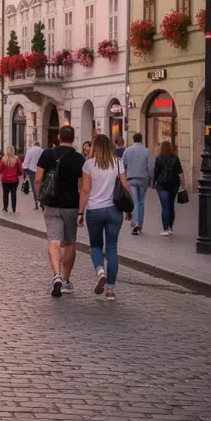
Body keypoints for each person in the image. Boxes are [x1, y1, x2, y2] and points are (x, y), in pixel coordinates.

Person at [79, 133, 131, 301]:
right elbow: (125, 187)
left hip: (94, 210)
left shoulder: (88, 164)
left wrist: (80, 212)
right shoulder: (118, 163)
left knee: (95, 246)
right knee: (112, 248)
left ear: (94, 147)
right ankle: (110, 290)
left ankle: (100, 270)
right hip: (114, 210)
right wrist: (129, 209)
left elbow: (85, 191)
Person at [35, 126, 85, 298]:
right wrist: (82, 209)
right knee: (70, 243)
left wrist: (39, 196)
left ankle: (56, 274)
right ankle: (65, 280)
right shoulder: (79, 158)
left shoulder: (48, 154)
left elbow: (37, 178)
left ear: (58, 137)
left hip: (52, 203)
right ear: (73, 138)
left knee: (54, 241)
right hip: (71, 205)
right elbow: (82, 186)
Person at [122, 133, 155, 235]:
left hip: (131, 178)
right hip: (143, 179)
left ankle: (136, 224)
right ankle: (139, 225)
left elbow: (123, 165)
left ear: (133, 139)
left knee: (135, 201)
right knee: (141, 202)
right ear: (142, 139)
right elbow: (150, 167)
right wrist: (152, 179)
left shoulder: (127, 151)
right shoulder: (146, 151)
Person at [154, 141, 184, 235]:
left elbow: (156, 172)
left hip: (162, 184)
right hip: (174, 184)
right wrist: (184, 184)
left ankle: (165, 228)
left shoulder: (158, 158)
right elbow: (180, 172)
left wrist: (153, 182)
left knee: (165, 206)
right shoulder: (175, 158)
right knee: (171, 206)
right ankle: (170, 227)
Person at [0, 146, 22, 213]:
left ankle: (5, 208)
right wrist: (19, 174)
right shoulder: (16, 159)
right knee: (13, 194)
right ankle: (14, 209)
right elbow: (20, 169)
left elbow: (0, 170)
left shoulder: (3, 159)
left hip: (5, 180)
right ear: (13, 151)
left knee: (5, 194)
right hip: (14, 180)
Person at [23, 139, 43, 210]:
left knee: (34, 186)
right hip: (40, 170)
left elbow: (26, 161)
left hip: (31, 170)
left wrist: (25, 169)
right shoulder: (42, 150)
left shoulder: (30, 151)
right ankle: (42, 201)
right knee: (41, 185)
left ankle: (36, 204)